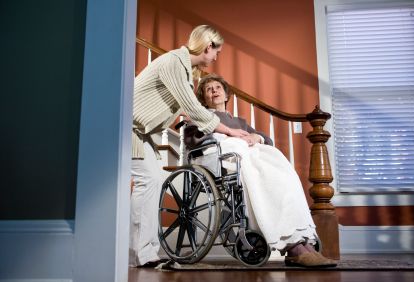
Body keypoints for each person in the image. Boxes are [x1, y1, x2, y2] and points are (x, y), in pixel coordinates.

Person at [185, 73, 337, 267]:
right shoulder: (202, 116)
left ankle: (301, 238)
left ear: (226, 95)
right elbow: (192, 141)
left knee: (282, 174)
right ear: (203, 98)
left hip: (247, 154)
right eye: (208, 89)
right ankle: (294, 247)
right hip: (225, 157)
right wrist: (227, 136)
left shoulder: (239, 122)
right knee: (259, 175)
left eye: (217, 88)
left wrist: (256, 138)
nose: (214, 91)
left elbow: (264, 136)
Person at [130, 25, 250, 268]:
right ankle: (139, 253)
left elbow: (182, 106)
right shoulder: (174, 62)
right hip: (127, 126)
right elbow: (192, 105)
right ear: (208, 48)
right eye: (217, 52)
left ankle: (145, 252)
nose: (216, 57)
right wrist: (227, 129)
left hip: (143, 132)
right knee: (149, 181)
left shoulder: (183, 70)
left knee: (153, 182)